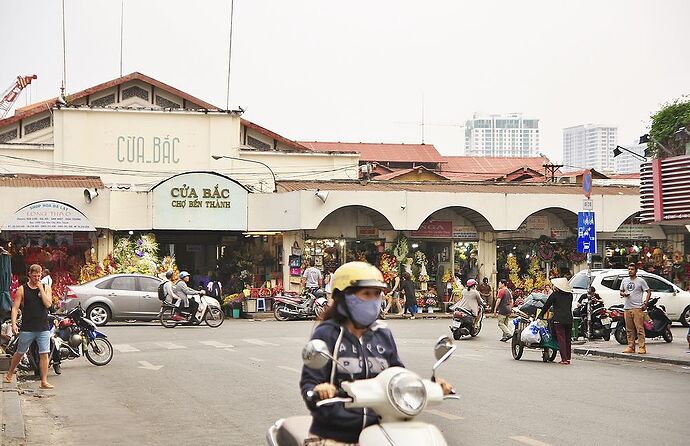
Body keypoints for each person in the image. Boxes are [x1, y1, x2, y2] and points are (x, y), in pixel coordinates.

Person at [299, 262, 453, 445]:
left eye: (377, 294)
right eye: (366, 294)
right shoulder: (327, 333)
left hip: (382, 430)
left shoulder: (382, 334)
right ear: (343, 296)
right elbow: (310, 382)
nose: (373, 300)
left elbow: (397, 377)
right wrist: (319, 390)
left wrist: (429, 386)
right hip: (336, 432)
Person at [4, 264, 54, 389]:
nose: (37, 278)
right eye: (35, 276)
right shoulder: (22, 289)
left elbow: (48, 304)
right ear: (30, 275)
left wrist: (41, 290)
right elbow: (15, 308)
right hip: (27, 327)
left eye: (39, 276)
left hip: (43, 326)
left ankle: (44, 381)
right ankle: (10, 372)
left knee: (44, 353)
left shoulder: (46, 288)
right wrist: (14, 323)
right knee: (20, 352)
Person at [538, 278, 574, 365]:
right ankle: (568, 358)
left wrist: (541, 314)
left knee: (561, 339)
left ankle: (564, 359)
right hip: (569, 319)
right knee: (568, 339)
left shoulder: (555, 295)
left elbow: (547, 305)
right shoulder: (570, 295)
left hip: (558, 320)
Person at [620, 263, 651, 354]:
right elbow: (621, 291)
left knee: (639, 329)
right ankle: (631, 346)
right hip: (627, 307)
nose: (630, 271)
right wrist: (624, 294)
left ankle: (642, 347)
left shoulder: (640, 281)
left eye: (632, 269)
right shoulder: (624, 281)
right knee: (629, 329)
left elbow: (648, 291)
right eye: (629, 269)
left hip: (637, 308)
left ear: (636, 271)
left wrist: (645, 303)